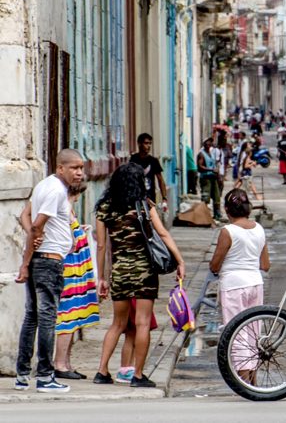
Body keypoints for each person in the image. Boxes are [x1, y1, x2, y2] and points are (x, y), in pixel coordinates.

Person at [93, 163, 186, 388]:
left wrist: (102, 278)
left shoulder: (105, 207)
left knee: (117, 323)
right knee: (142, 323)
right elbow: (162, 233)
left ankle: (102, 371)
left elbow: (102, 247)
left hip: (120, 272)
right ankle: (138, 375)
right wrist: (180, 261)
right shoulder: (144, 205)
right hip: (144, 272)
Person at [14, 149, 84, 393]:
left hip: (40, 259)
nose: (79, 173)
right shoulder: (55, 191)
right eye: (74, 168)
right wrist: (29, 251)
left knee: (31, 317)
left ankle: (22, 374)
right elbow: (35, 224)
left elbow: (24, 217)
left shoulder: (44, 185)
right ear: (60, 168)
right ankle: (45, 376)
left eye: (81, 168)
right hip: (49, 262)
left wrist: (34, 238)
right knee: (46, 318)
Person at [52, 182, 100, 380]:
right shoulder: (62, 208)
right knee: (67, 318)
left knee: (74, 318)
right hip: (70, 271)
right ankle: (60, 364)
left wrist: (80, 229)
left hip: (77, 270)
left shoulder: (68, 208)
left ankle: (66, 363)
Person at [209, 189, 270, 330]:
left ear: (226, 209)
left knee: (235, 335)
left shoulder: (228, 231)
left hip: (233, 286)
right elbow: (266, 265)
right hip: (255, 284)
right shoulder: (259, 229)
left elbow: (215, 266)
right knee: (253, 333)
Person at [130, 133, 167, 214]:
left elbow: (160, 180)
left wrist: (164, 198)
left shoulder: (153, 161)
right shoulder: (133, 159)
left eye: (150, 143)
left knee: (150, 222)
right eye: (146, 143)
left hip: (150, 198)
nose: (149, 146)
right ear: (139, 144)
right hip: (135, 198)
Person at [197, 138, 222, 220]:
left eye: (210, 142)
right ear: (204, 143)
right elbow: (200, 167)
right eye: (207, 142)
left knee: (216, 196)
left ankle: (217, 215)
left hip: (213, 177)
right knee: (206, 197)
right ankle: (204, 216)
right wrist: (211, 170)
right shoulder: (201, 154)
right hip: (206, 178)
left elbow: (215, 164)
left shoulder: (211, 153)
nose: (209, 144)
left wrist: (218, 176)